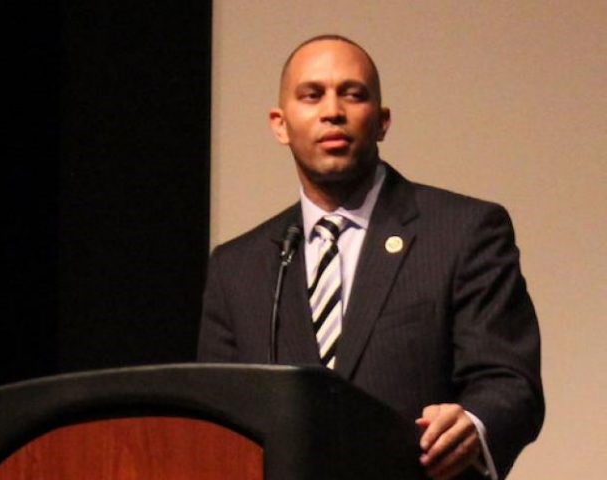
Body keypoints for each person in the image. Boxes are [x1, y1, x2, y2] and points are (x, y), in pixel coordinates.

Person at [197, 35, 544, 480]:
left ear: (381, 122)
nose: (333, 111)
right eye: (312, 95)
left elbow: (510, 382)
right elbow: (214, 420)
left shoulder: (463, 231)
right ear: (279, 124)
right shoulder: (237, 267)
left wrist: (473, 424)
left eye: (353, 94)